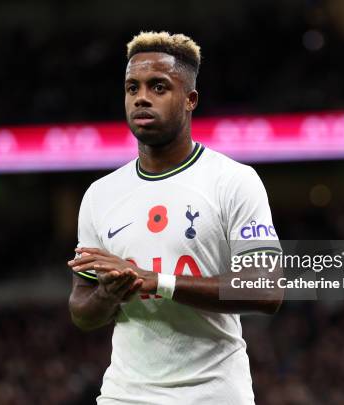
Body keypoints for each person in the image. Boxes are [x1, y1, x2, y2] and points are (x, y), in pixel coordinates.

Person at [68, 31, 282, 404]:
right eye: (132, 88)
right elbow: (82, 312)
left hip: (213, 394)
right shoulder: (100, 195)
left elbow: (266, 288)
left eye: (158, 87)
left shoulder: (233, 181)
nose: (142, 98)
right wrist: (108, 292)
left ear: (190, 99)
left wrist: (159, 282)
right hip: (125, 395)